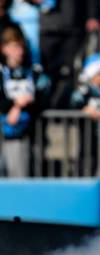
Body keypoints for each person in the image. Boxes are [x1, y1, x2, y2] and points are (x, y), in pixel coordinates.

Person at [0, 26, 48, 177]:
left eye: (21, 46)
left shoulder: (33, 72)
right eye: (15, 46)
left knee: (19, 178)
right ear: (4, 49)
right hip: (3, 133)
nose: (19, 51)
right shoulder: (2, 72)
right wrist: (16, 104)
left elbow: (42, 99)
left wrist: (21, 106)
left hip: (24, 135)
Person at [39, 0, 100, 107]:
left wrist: (93, 15)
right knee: (46, 70)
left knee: (71, 70)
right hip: (46, 27)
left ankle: (69, 105)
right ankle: (47, 106)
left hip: (74, 25)